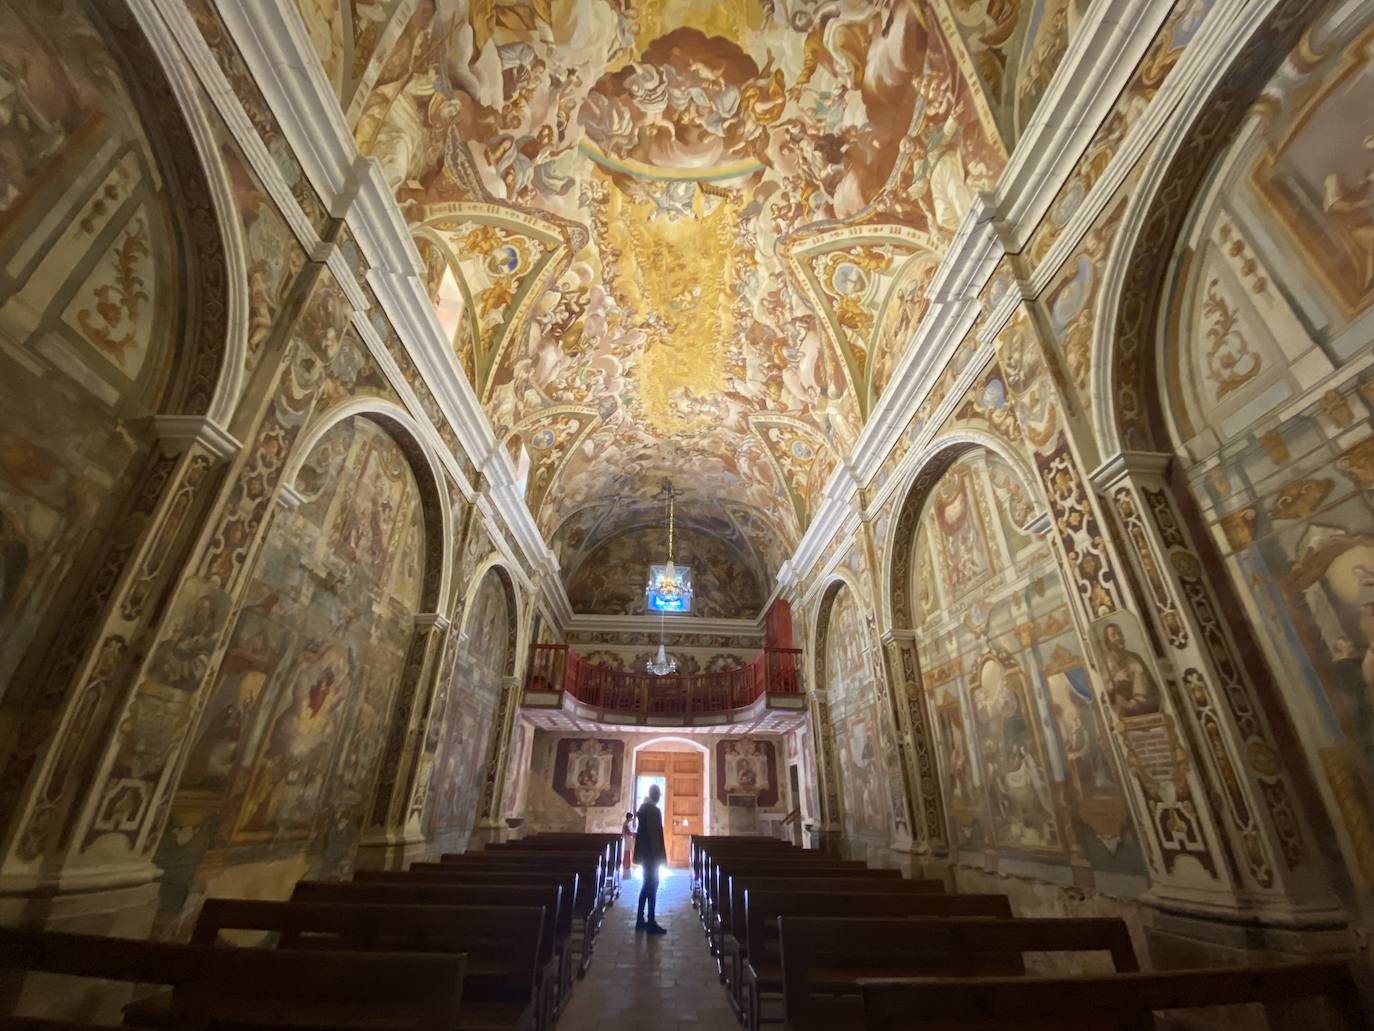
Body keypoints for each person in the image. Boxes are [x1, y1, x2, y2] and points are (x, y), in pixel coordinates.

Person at [634, 784, 667, 934]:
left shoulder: (644, 809)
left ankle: (640, 920)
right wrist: (659, 857)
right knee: (652, 886)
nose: (659, 796)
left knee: (646, 886)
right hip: (651, 856)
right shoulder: (653, 811)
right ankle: (650, 921)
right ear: (655, 795)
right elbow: (655, 836)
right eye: (658, 794)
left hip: (645, 855)